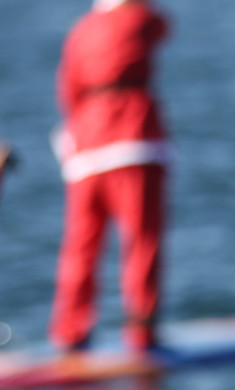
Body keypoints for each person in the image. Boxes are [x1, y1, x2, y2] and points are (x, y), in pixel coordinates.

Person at [50, 0, 171, 353]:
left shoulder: (80, 30)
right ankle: (142, 333)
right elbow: (162, 26)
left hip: (85, 144)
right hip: (133, 141)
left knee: (81, 245)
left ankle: (70, 332)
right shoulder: (137, 18)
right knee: (142, 240)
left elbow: (67, 89)